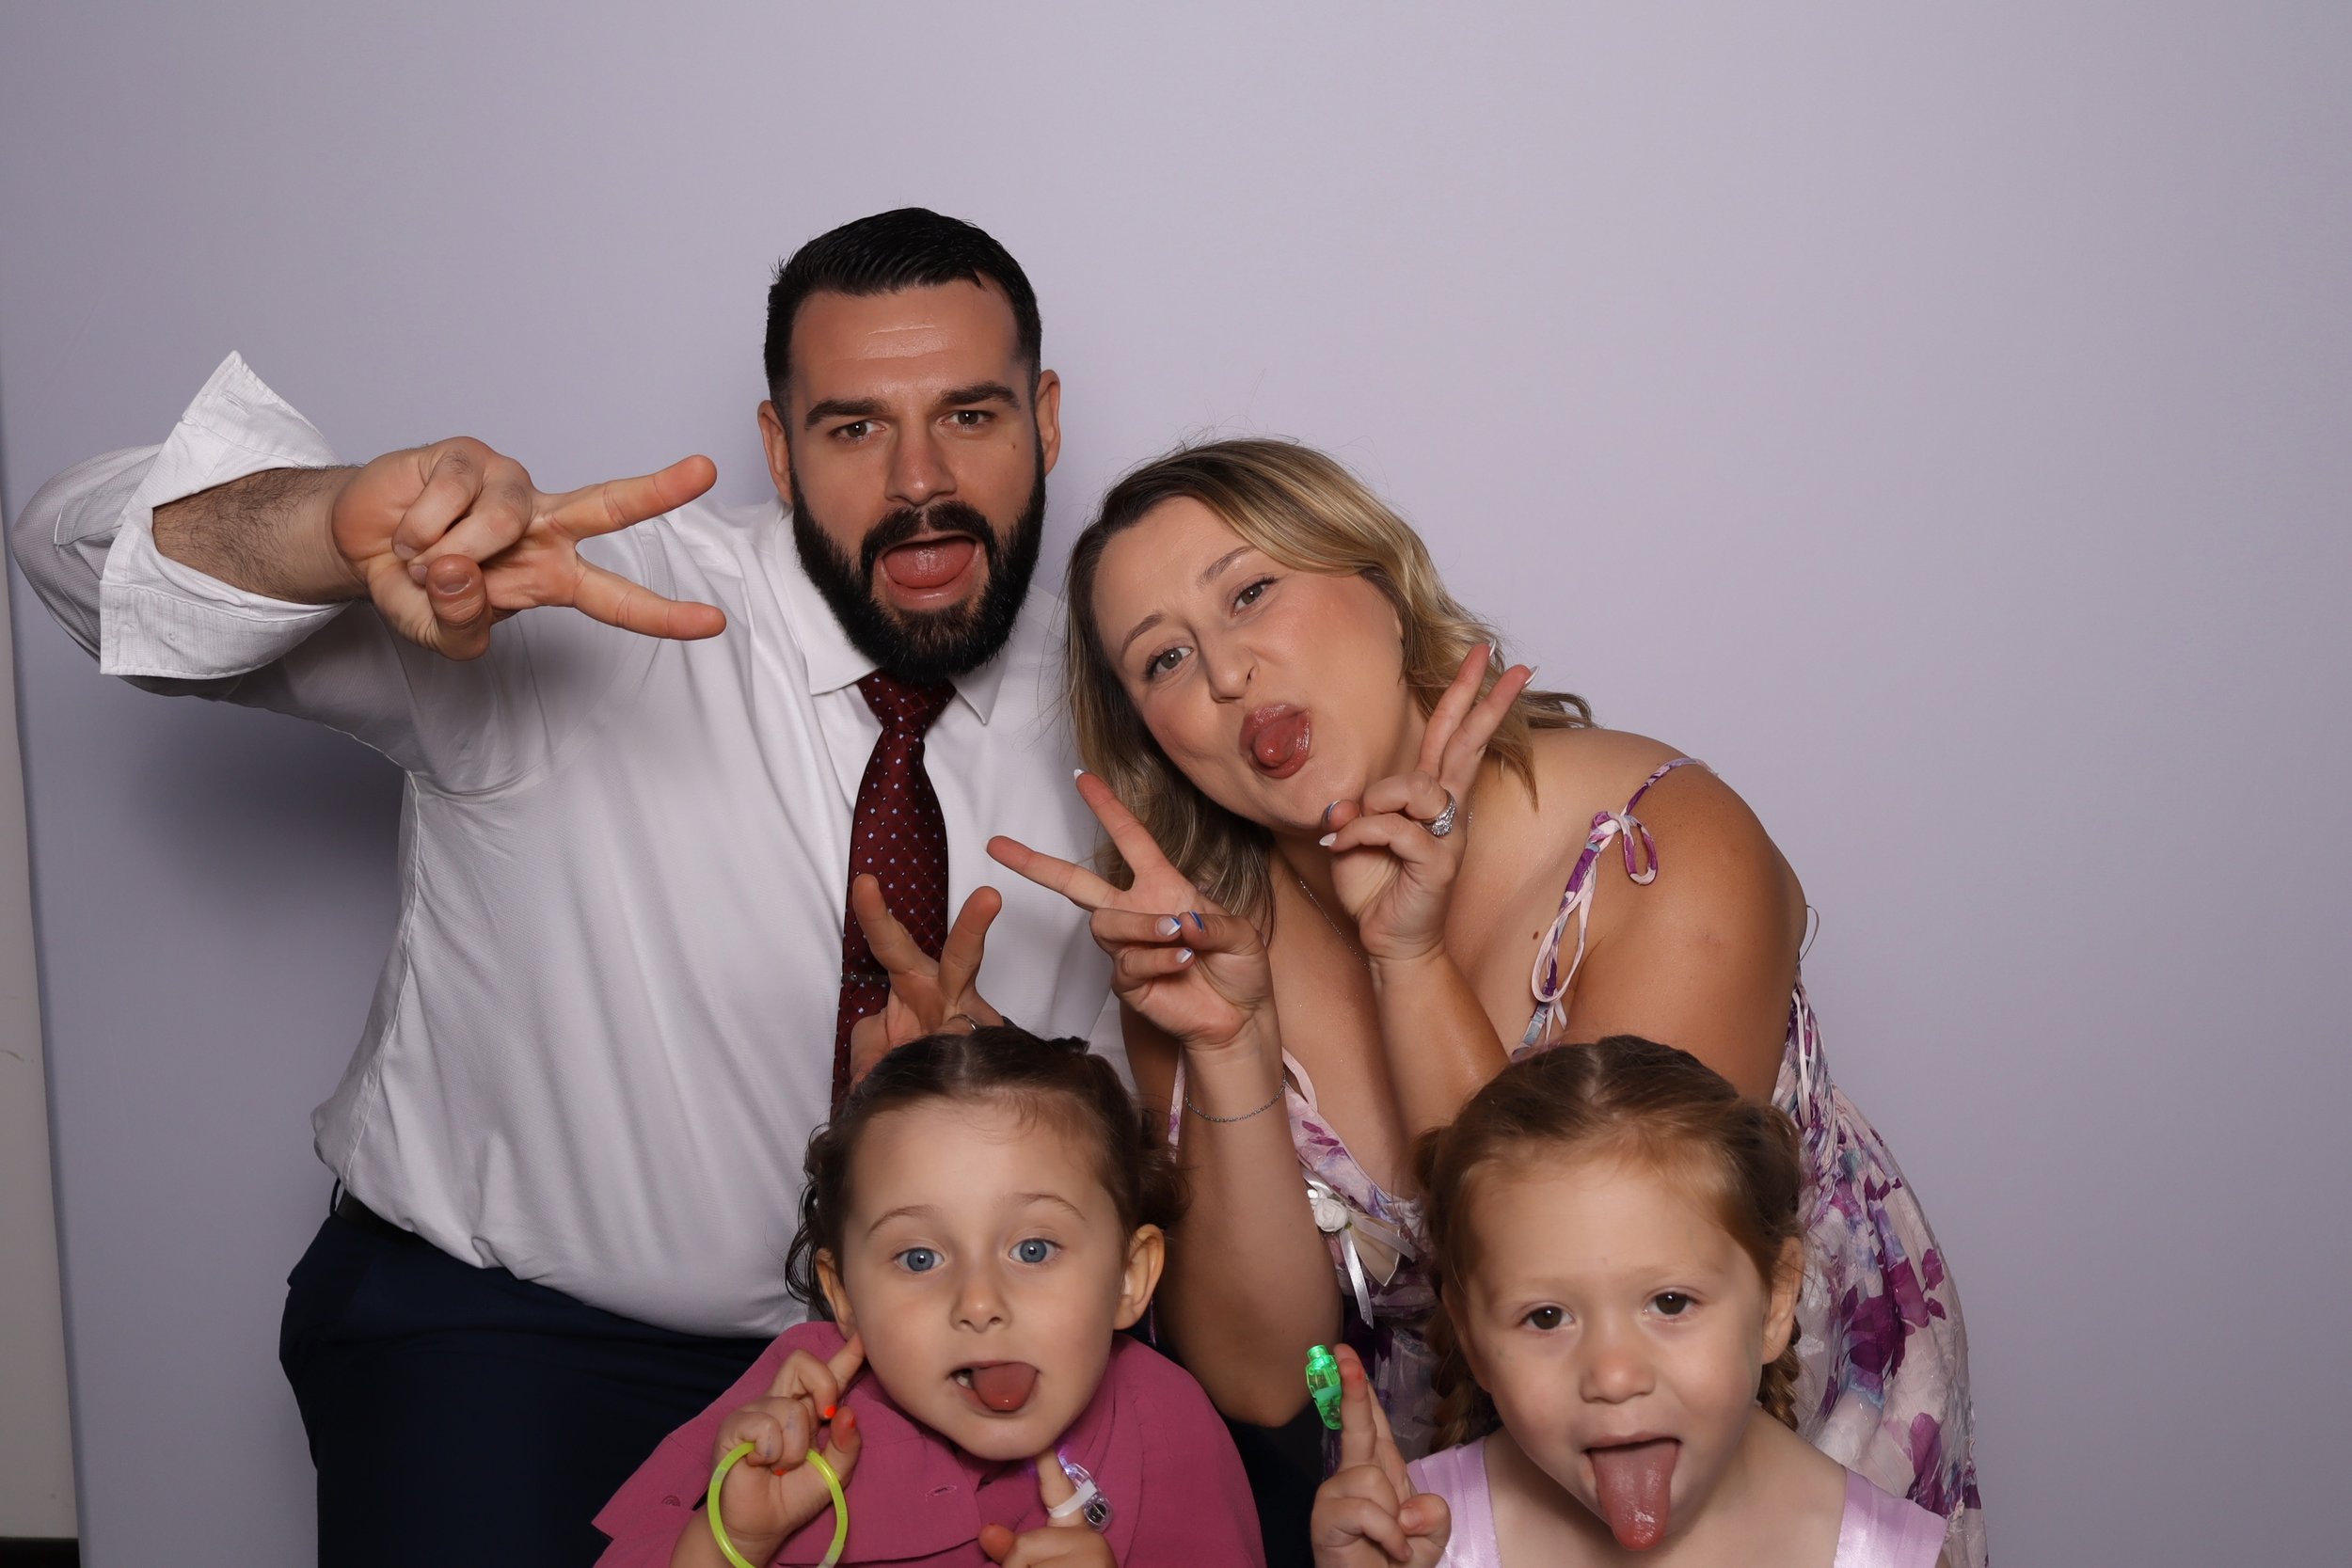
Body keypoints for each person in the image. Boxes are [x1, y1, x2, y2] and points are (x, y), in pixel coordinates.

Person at [7, 209, 1117, 1567]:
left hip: (915, 1357)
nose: (920, 480)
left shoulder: (1128, 688)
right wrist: (334, 522)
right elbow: (73, 552)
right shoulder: (574, 600)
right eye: (852, 427)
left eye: (971, 415)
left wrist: (1003, 1103)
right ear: (778, 448)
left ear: (1044, 420)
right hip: (507, 1338)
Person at [989, 438, 1982, 1563]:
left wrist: (1405, 959)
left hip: (1778, 1465)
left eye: (1251, 591)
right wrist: (1225, 1045)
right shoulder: (1195, 950)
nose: (1225, 673)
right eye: (1163, 658)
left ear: (1381, 586)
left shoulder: (1663, 846)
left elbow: (1591, 1249)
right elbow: (1264, 1381)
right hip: (1453, 1520)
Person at [592, 1025, 1264, 1567]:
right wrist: (732, 1542)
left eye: (1034, 1249)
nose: (979, 1302)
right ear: (844, 1294)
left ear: (1129, 1276)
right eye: (920, 1258)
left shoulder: (1168, 1423)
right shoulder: (786, 1407)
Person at [1310, 1037, 1949, 1568]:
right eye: (1547, 1316)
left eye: (1670, 1302)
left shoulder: (1881, 1554)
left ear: (1776, 1300)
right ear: (1472, 1337)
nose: (1614, 1376)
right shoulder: (1418, 1538)